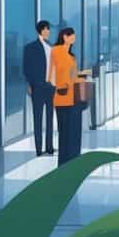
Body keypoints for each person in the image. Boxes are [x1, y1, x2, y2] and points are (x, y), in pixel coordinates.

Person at [50, 27, 90, 166]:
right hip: (62, 98)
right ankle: (63, 166)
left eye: (74, 35)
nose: (74, 38)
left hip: (75, 99)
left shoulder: (72, 57)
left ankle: (73, 164)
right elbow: (55, 75)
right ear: (64, 37)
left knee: (75, 134)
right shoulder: (56, 51)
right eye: (71, 35)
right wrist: (75, 78)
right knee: (65, 134)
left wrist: (82, 75)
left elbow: (73, 75)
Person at [23, 20, 56, 157]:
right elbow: (26, 68)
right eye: (47, 29)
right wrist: (29, 84)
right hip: (37, 87)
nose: (49, 32)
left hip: (51, 87)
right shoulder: (30, 47)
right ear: (41, 30)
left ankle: (49, 147)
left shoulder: (52, 47)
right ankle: (38, 149)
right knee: (38, 118)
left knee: (50, 118)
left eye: (49, 29)